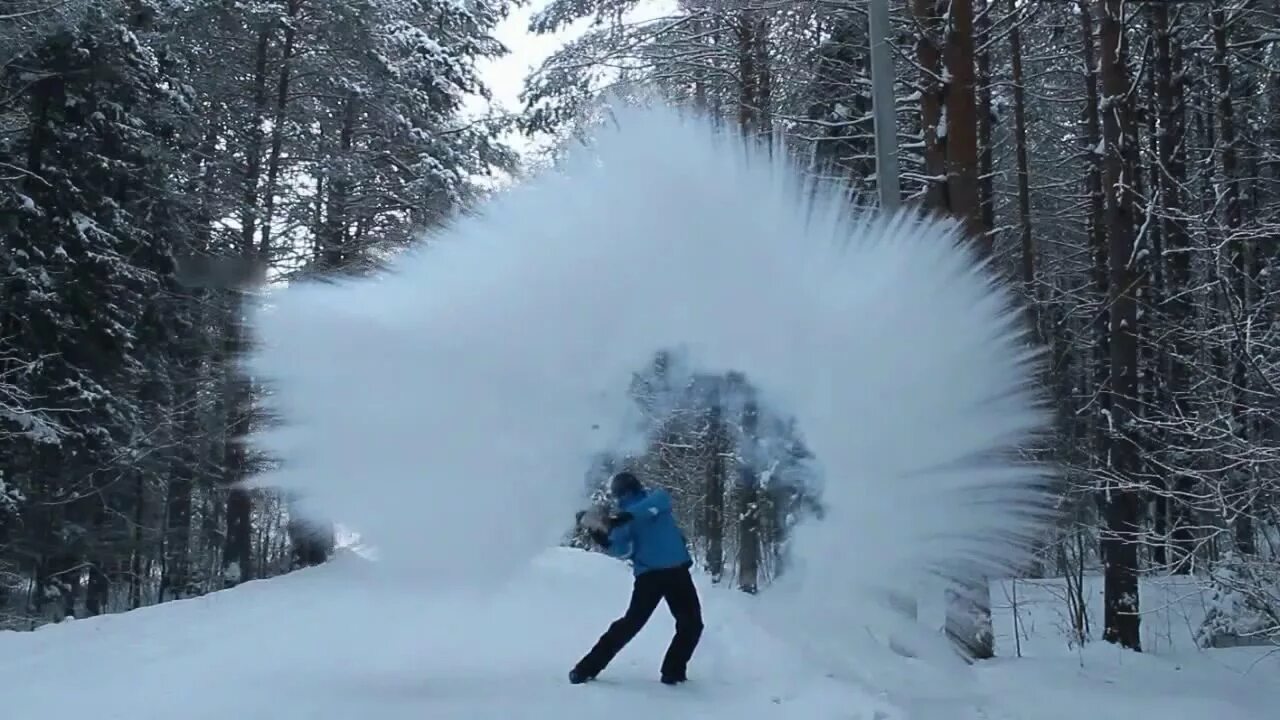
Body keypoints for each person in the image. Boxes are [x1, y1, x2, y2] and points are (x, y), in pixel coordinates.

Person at [570, 471, 704, 686]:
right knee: (632, 624)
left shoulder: (655, 500)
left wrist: (623, 518)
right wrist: (602, 537)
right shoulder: (623, 519)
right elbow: (622, 551)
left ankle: (673, 672)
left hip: (676, 572)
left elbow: (654, 505)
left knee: (691, 624)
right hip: (651, 577)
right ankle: (585, 669)